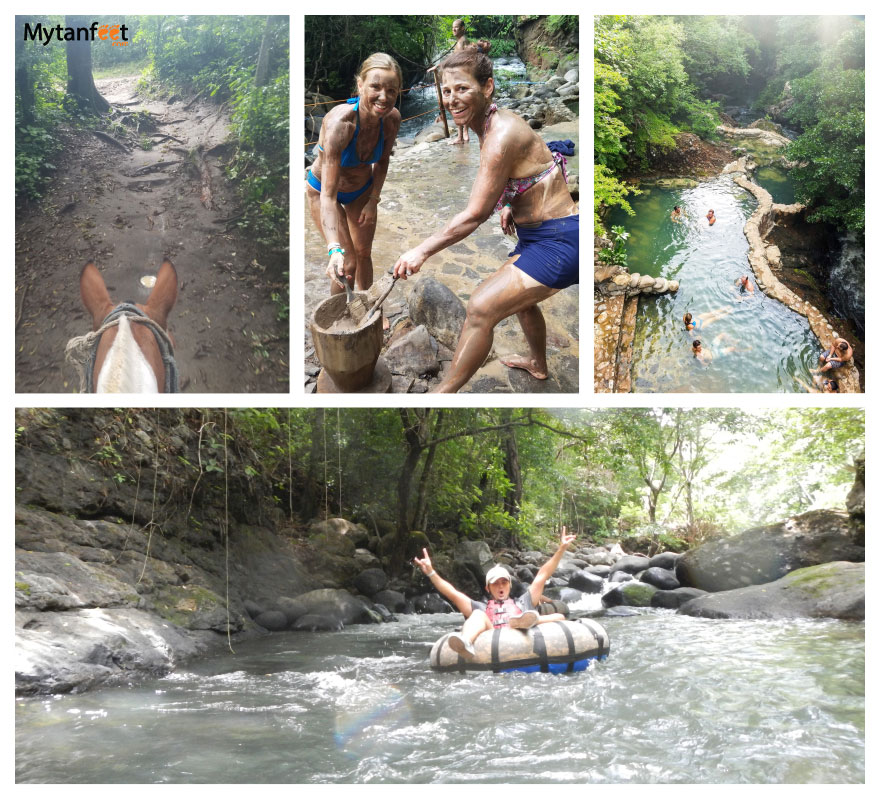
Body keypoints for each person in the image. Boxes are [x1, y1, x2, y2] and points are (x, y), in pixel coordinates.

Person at [392, 49, 579, 392]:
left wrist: (420, 251)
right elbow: (540, 164)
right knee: (522, 303)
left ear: (488, 86)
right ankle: (538, 364)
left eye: (462, 89)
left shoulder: (500, 135)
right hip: (539, 236)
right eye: (446, 92)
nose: (452, 99)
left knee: (480, 307)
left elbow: (474, 215)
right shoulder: (493, 121)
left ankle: (441, 395)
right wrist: (510, 201)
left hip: (561, 241)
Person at [307, 53, 402, 295]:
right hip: (325, 192)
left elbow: (381, 162)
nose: (384, 96)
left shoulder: (391, 120)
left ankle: (366, 306)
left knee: (364, 254)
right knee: (346, 261)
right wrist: (333, 249)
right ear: (360, 85)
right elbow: (328, 196)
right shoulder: (341, 124)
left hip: (361, 190)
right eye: (376, 87)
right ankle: (338, 318)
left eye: (391, 90)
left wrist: (373, 200)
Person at [412, 528, 576, 659]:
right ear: (488, 588)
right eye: (495, 584)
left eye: (504, 582)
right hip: (494, 638)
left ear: (510, 586)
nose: (500, 586)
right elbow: (452, 593)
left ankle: (524, 622)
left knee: (559, 617)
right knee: (477, 615)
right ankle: (466, 642)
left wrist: (561, 549)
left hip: (524, 633)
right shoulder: (480, 607)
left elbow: (542, 575)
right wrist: (431, 572)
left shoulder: (522, 602)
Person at [427, 19, 473, 145]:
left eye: (456, 27)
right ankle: (461, 134)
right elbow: (453, 60)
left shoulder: (463, 42)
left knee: (458, 105)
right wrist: (438, 66)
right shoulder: (460, 42)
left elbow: (465, 61)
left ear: (463, 28)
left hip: (460, 79)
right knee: (457, 105)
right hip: (458, 79)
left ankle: (463, 134)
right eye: (453, 27)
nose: (454, 30)